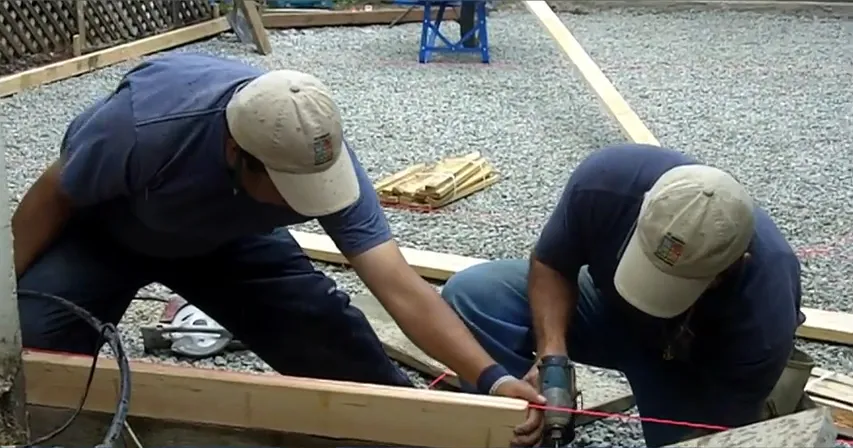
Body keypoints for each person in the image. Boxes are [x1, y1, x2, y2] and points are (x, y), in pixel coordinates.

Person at [12, 52, 545, 444]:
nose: (308, 201)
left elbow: (399, 287)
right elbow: (48, 201)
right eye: (289, 188)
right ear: (235, 152)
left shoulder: (315, 148)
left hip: (229, 241)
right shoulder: (142, 129)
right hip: (108, 233)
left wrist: (491, 379)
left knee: (337, 345)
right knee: (28, 353)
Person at [441, 143, 807, 447]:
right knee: (473, 296)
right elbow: (553, 263)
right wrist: (553, 356)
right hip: (608, 310)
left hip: (691, 362)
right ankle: (515, 431)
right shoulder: (609, 182)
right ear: (643, 208)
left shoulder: (765, 307)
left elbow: (720, 429)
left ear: (732, 267)